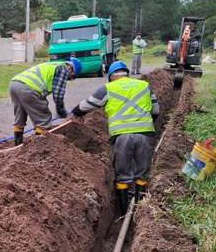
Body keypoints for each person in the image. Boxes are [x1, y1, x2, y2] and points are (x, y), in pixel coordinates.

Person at [70, 60, 159, 214]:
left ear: (111, 76)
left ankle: (124, 212)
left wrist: (75, 112)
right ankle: (141, 211)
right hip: (144, 134)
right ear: (127, 74)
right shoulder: (144, 86)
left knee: (123, 174)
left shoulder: (108, 88)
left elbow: (88, 105)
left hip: (121, 136)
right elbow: (156, 110)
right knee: (141, 173)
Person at [9, 57, 82, 145]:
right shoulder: (63, 69)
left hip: (14, 84)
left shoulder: (52, 65)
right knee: (43, 119)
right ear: (71, 69)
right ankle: (37, 147)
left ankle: (18, 144)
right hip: (29, 88)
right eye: (72, 77)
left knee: (20, 115)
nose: (69, 79)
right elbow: (58, 92)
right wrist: (61, 110)